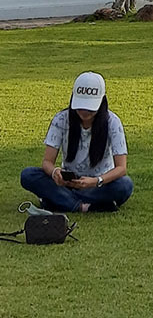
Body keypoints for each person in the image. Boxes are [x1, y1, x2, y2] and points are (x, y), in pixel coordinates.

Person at [20, 71, 133, 214]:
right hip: (68, 182)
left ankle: (60, 201)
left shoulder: (112, 122)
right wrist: (55, 172)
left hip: (100, 183)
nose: (84, 112)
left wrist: (96, 181)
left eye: (90, 108)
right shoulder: (61, 119)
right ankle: (86, 206)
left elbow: (121, 168)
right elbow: (47, 162)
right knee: (28, 175)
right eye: (80, 106)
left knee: (124, 185)